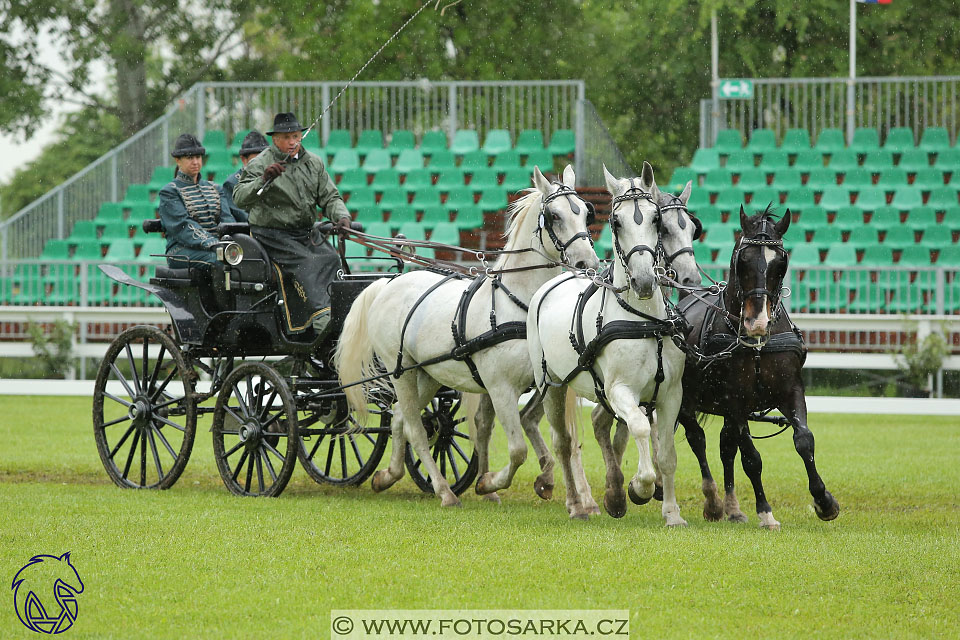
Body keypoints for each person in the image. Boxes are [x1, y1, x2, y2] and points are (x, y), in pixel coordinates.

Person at [234, 112, 352, 338]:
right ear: (275, 139)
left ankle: (341, 314)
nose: (292, 142)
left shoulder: (313, 163)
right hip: (272, 236)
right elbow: (239, 197)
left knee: (331, 258)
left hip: (305, 233)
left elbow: (329, 197)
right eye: (286, 137)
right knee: (309, 263)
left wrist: (341, 217)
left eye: (296, 136)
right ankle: (320, 319)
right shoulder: (261, 163)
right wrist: (263, 180)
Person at [157, 133, 236, 269]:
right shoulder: (170, 191)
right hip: (180, 251)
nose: (195, 162)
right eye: (189, 158)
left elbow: (227, 221)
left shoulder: (215, 188)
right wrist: (213, 244)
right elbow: (183, 226)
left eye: (198, 157)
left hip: (216, 248)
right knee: (220, 260)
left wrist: (231, 242)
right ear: (178, 160)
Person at [221, 131, 269, 222]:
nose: (262, 163)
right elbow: (242, 216)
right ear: (244, 159)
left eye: (265, 158)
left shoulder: (273, 177)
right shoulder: (232, 184)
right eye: (257, 160)